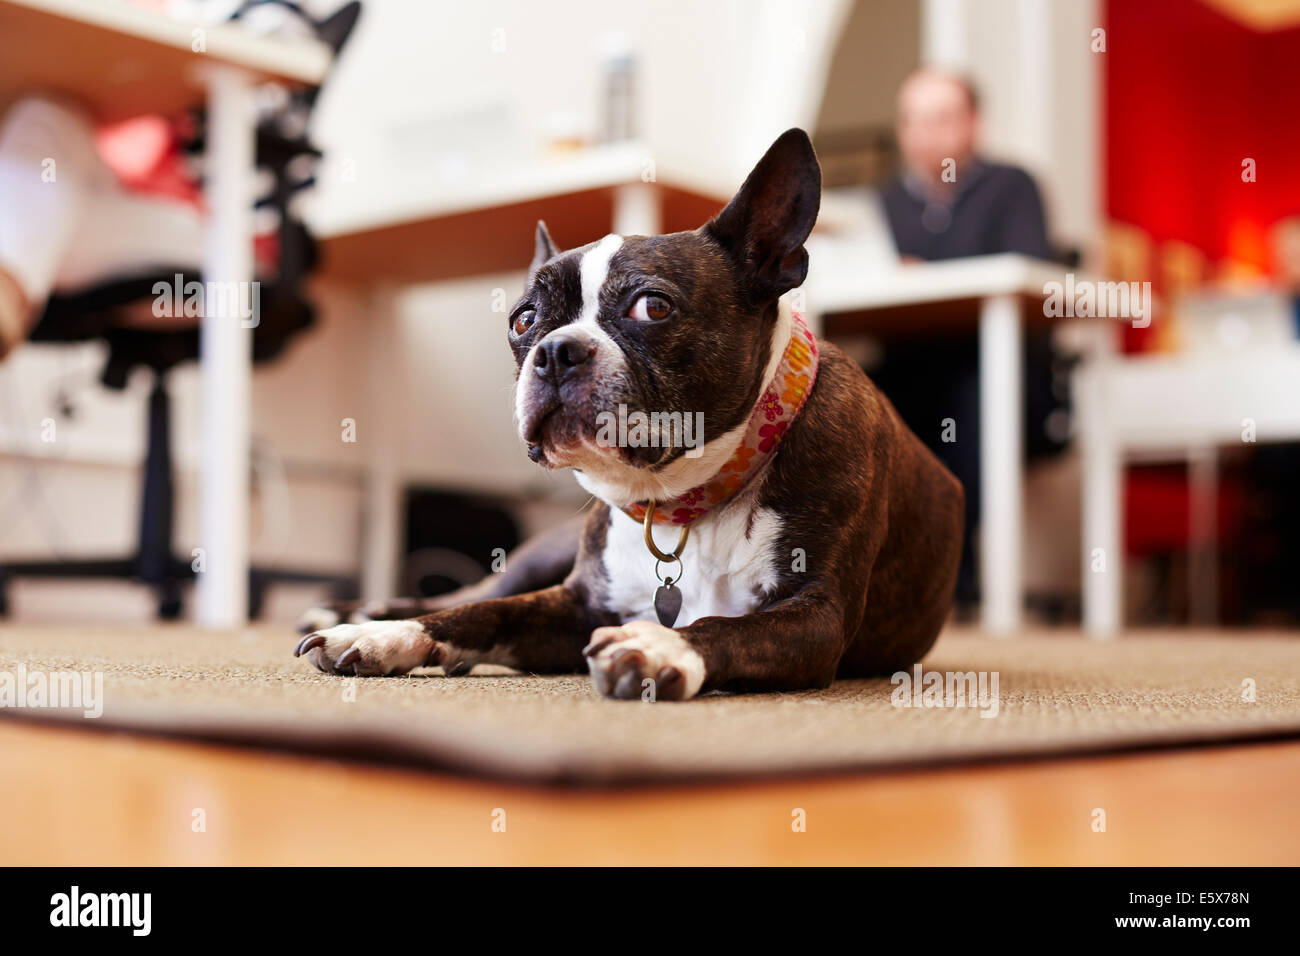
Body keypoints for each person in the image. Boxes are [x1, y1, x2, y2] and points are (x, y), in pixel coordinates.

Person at [871, 67, 1068, 610]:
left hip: (1000, 372)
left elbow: (1025, 270)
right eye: (914, 119)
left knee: (973, 399)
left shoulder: (1012, 187)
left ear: (973, 124)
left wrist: (922, 271)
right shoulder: (884, 203)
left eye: (943, 118)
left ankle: (960, 574)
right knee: (853, 397)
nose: (927, 133)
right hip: (912, 369)